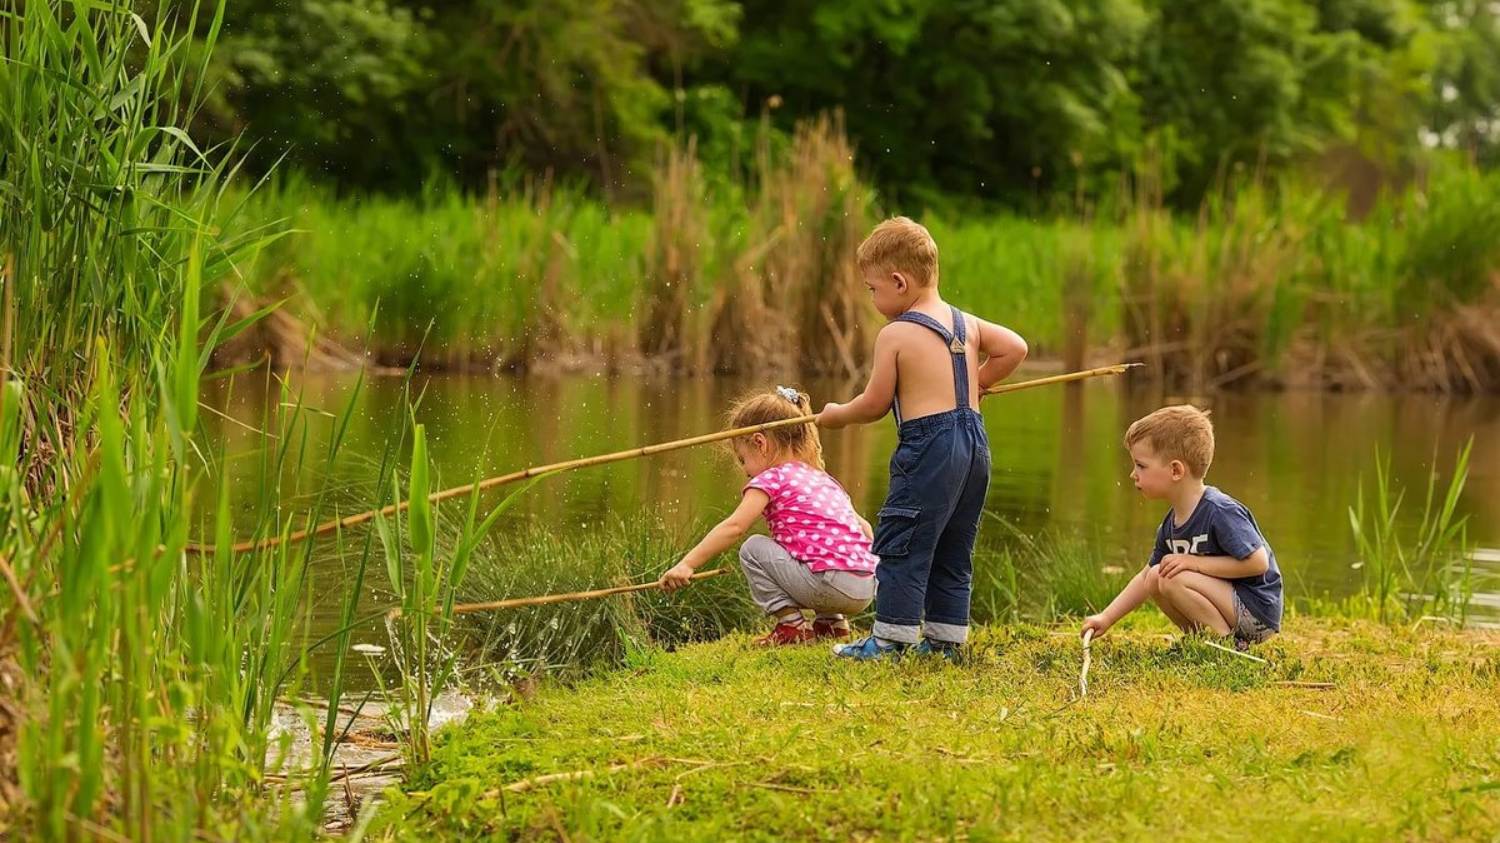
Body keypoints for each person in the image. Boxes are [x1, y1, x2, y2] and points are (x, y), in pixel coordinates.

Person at [819, 216, 1028, 659]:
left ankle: (891, 638)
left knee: (904, 541)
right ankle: (946, 641)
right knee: (954, 544)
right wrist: (979, 384)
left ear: (898, 282)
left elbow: (875, 404)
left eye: (872, 288)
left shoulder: (896, 333)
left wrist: (838, 416)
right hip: (974, 446)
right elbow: (1015, 347)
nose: (873, 297)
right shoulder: (964, 322)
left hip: (929, 446)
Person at [659, 386, 877, 645]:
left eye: (742, 459)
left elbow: (735, 527)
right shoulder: (822, 479)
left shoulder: (771, 479)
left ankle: (792, 626)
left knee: (752, 548)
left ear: (760, 443)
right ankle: (832, 624)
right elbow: (864, 529)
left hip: (829, 586)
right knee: (814, 547)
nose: (744, 470)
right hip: (865, 588)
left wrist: (688, 564)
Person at [1082, 405, 1283, 648]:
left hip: (1256, 611)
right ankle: (1202, 643)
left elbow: (1257, 562)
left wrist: (1194, 563)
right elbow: (1146, 575)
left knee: (1172, 578)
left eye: (1141, 466)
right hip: (1228, 607)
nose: (1133, 474)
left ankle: (1224, 645)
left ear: (1176, 470)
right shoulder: (1171, 523)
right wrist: (1106, 617)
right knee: (1157, 576)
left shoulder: (1219, 510)